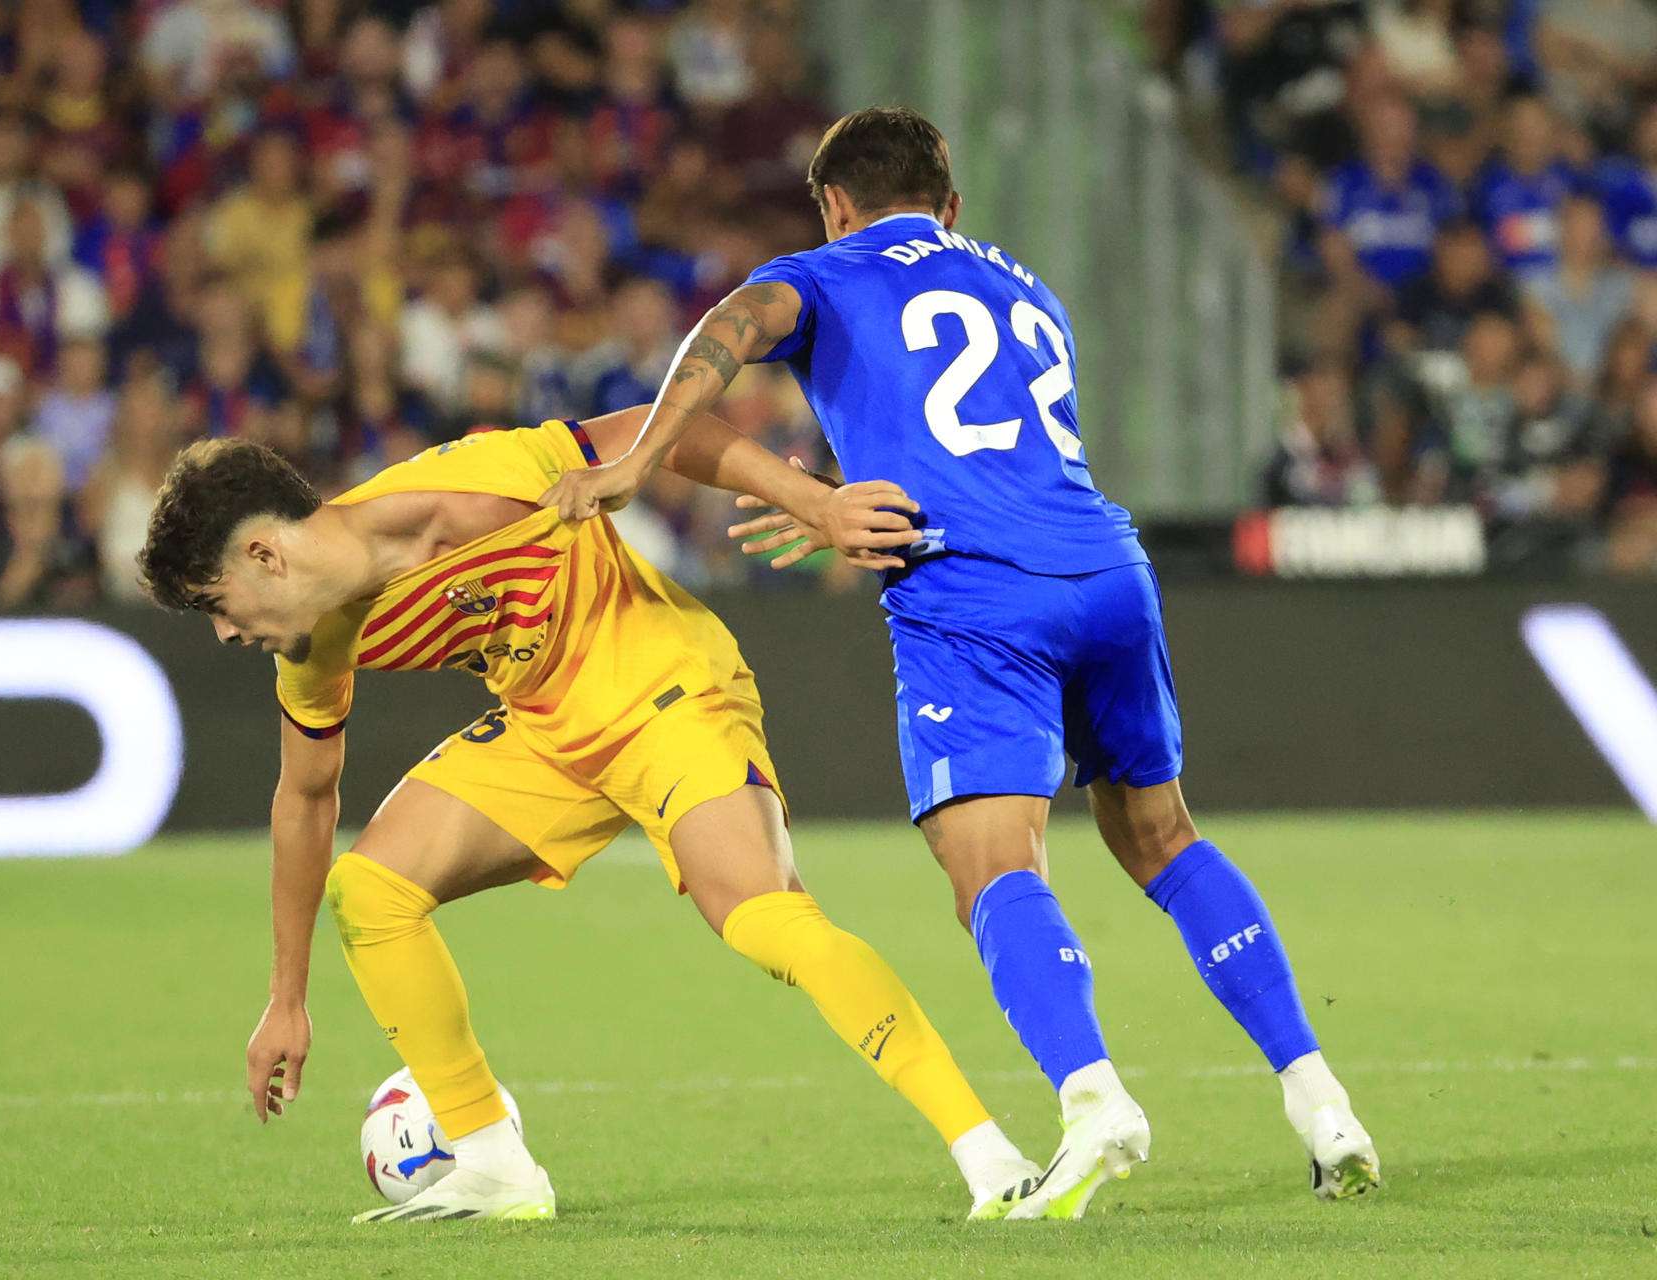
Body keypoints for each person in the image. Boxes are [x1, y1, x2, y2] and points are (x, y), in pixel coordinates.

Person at [542, 106, 1383, 1219]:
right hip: (1106, 567)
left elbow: (732, 328)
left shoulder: (823, 269)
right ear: (950, 206)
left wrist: (637, 462)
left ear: (836, 205)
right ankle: (1325, 1105)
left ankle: (1093, 1101)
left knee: (993, 867)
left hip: (973, 587)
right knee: (1163, 837)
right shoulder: (1030, 293)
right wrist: (824, 496)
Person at [135, 409, 1044, 1224]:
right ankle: (492, 1164)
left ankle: (989, 1155)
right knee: (370, 893)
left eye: (216, 607)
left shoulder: (482, 480)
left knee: (764, 919)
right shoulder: (316, 644)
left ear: (264, 555)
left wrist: (808, 500)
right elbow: (304, 800)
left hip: (662, 689)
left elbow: (673, 430)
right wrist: (286, 998)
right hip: (547, 731)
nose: (223, 634)